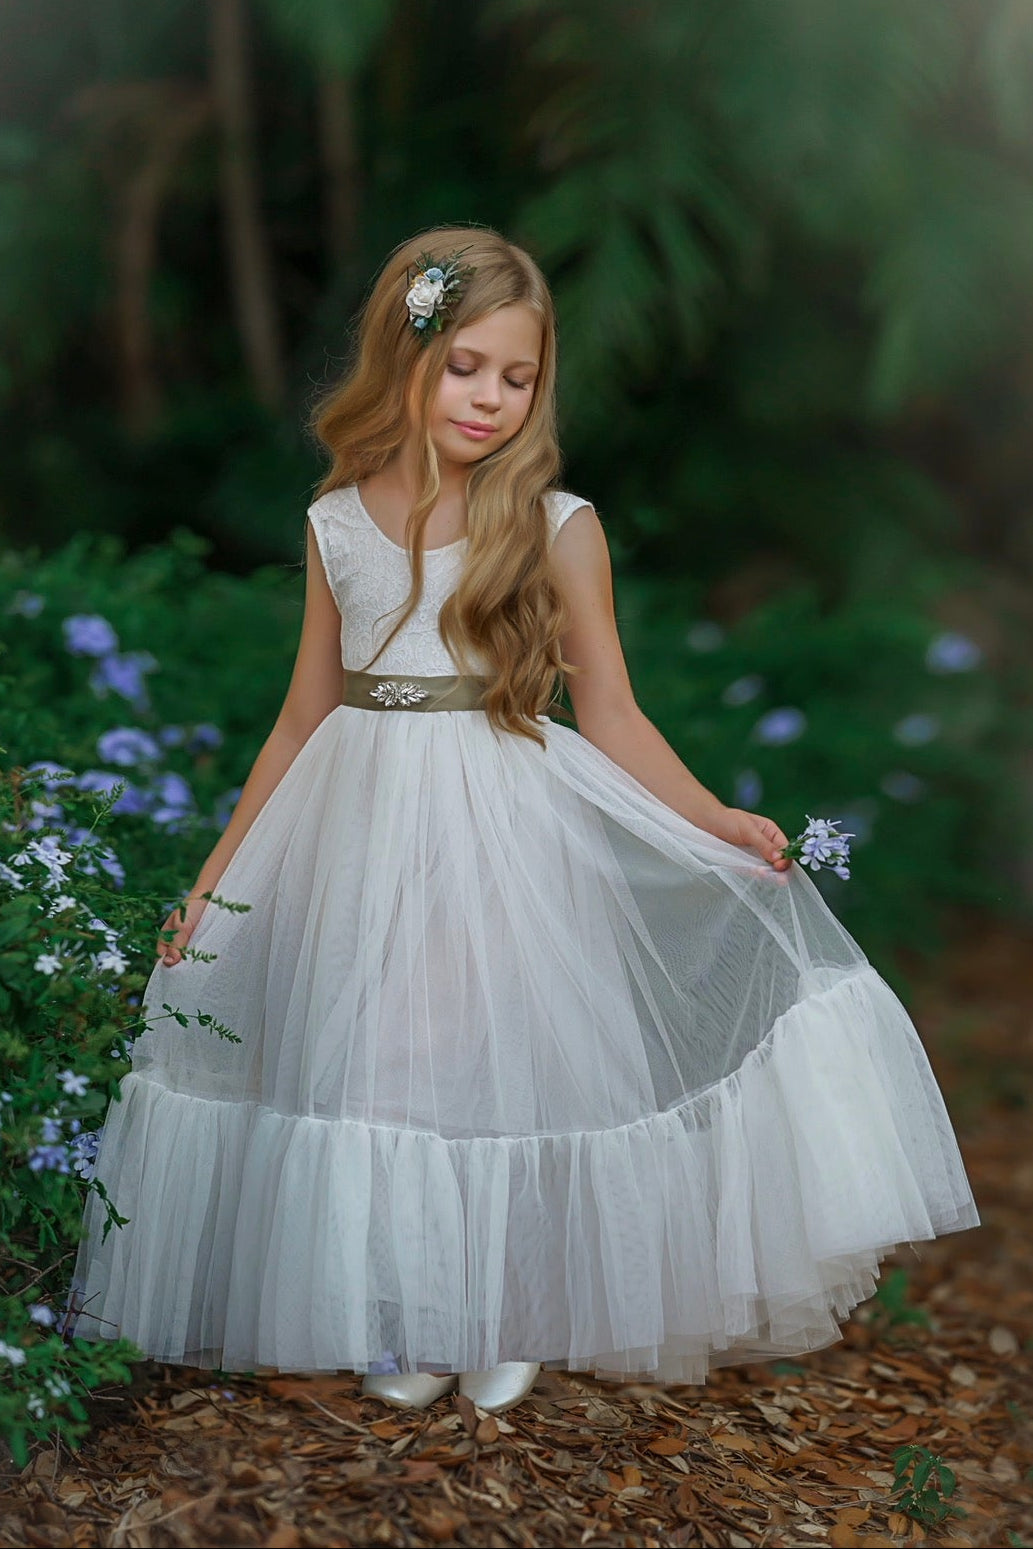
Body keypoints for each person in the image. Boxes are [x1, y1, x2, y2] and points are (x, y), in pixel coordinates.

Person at [70, 226, 978, 1416]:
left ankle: (506, 1307)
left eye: (517, 376)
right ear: (407, 353)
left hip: (499, 817)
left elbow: (611, 709)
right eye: (466, 367)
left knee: (490, 1054)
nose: (490, 397)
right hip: (360, 823)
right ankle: (416, 1308)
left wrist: (711, 816)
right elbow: (299, 719)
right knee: (381, 1059)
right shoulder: (338, 519)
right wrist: (216, 882)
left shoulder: (553, 523)